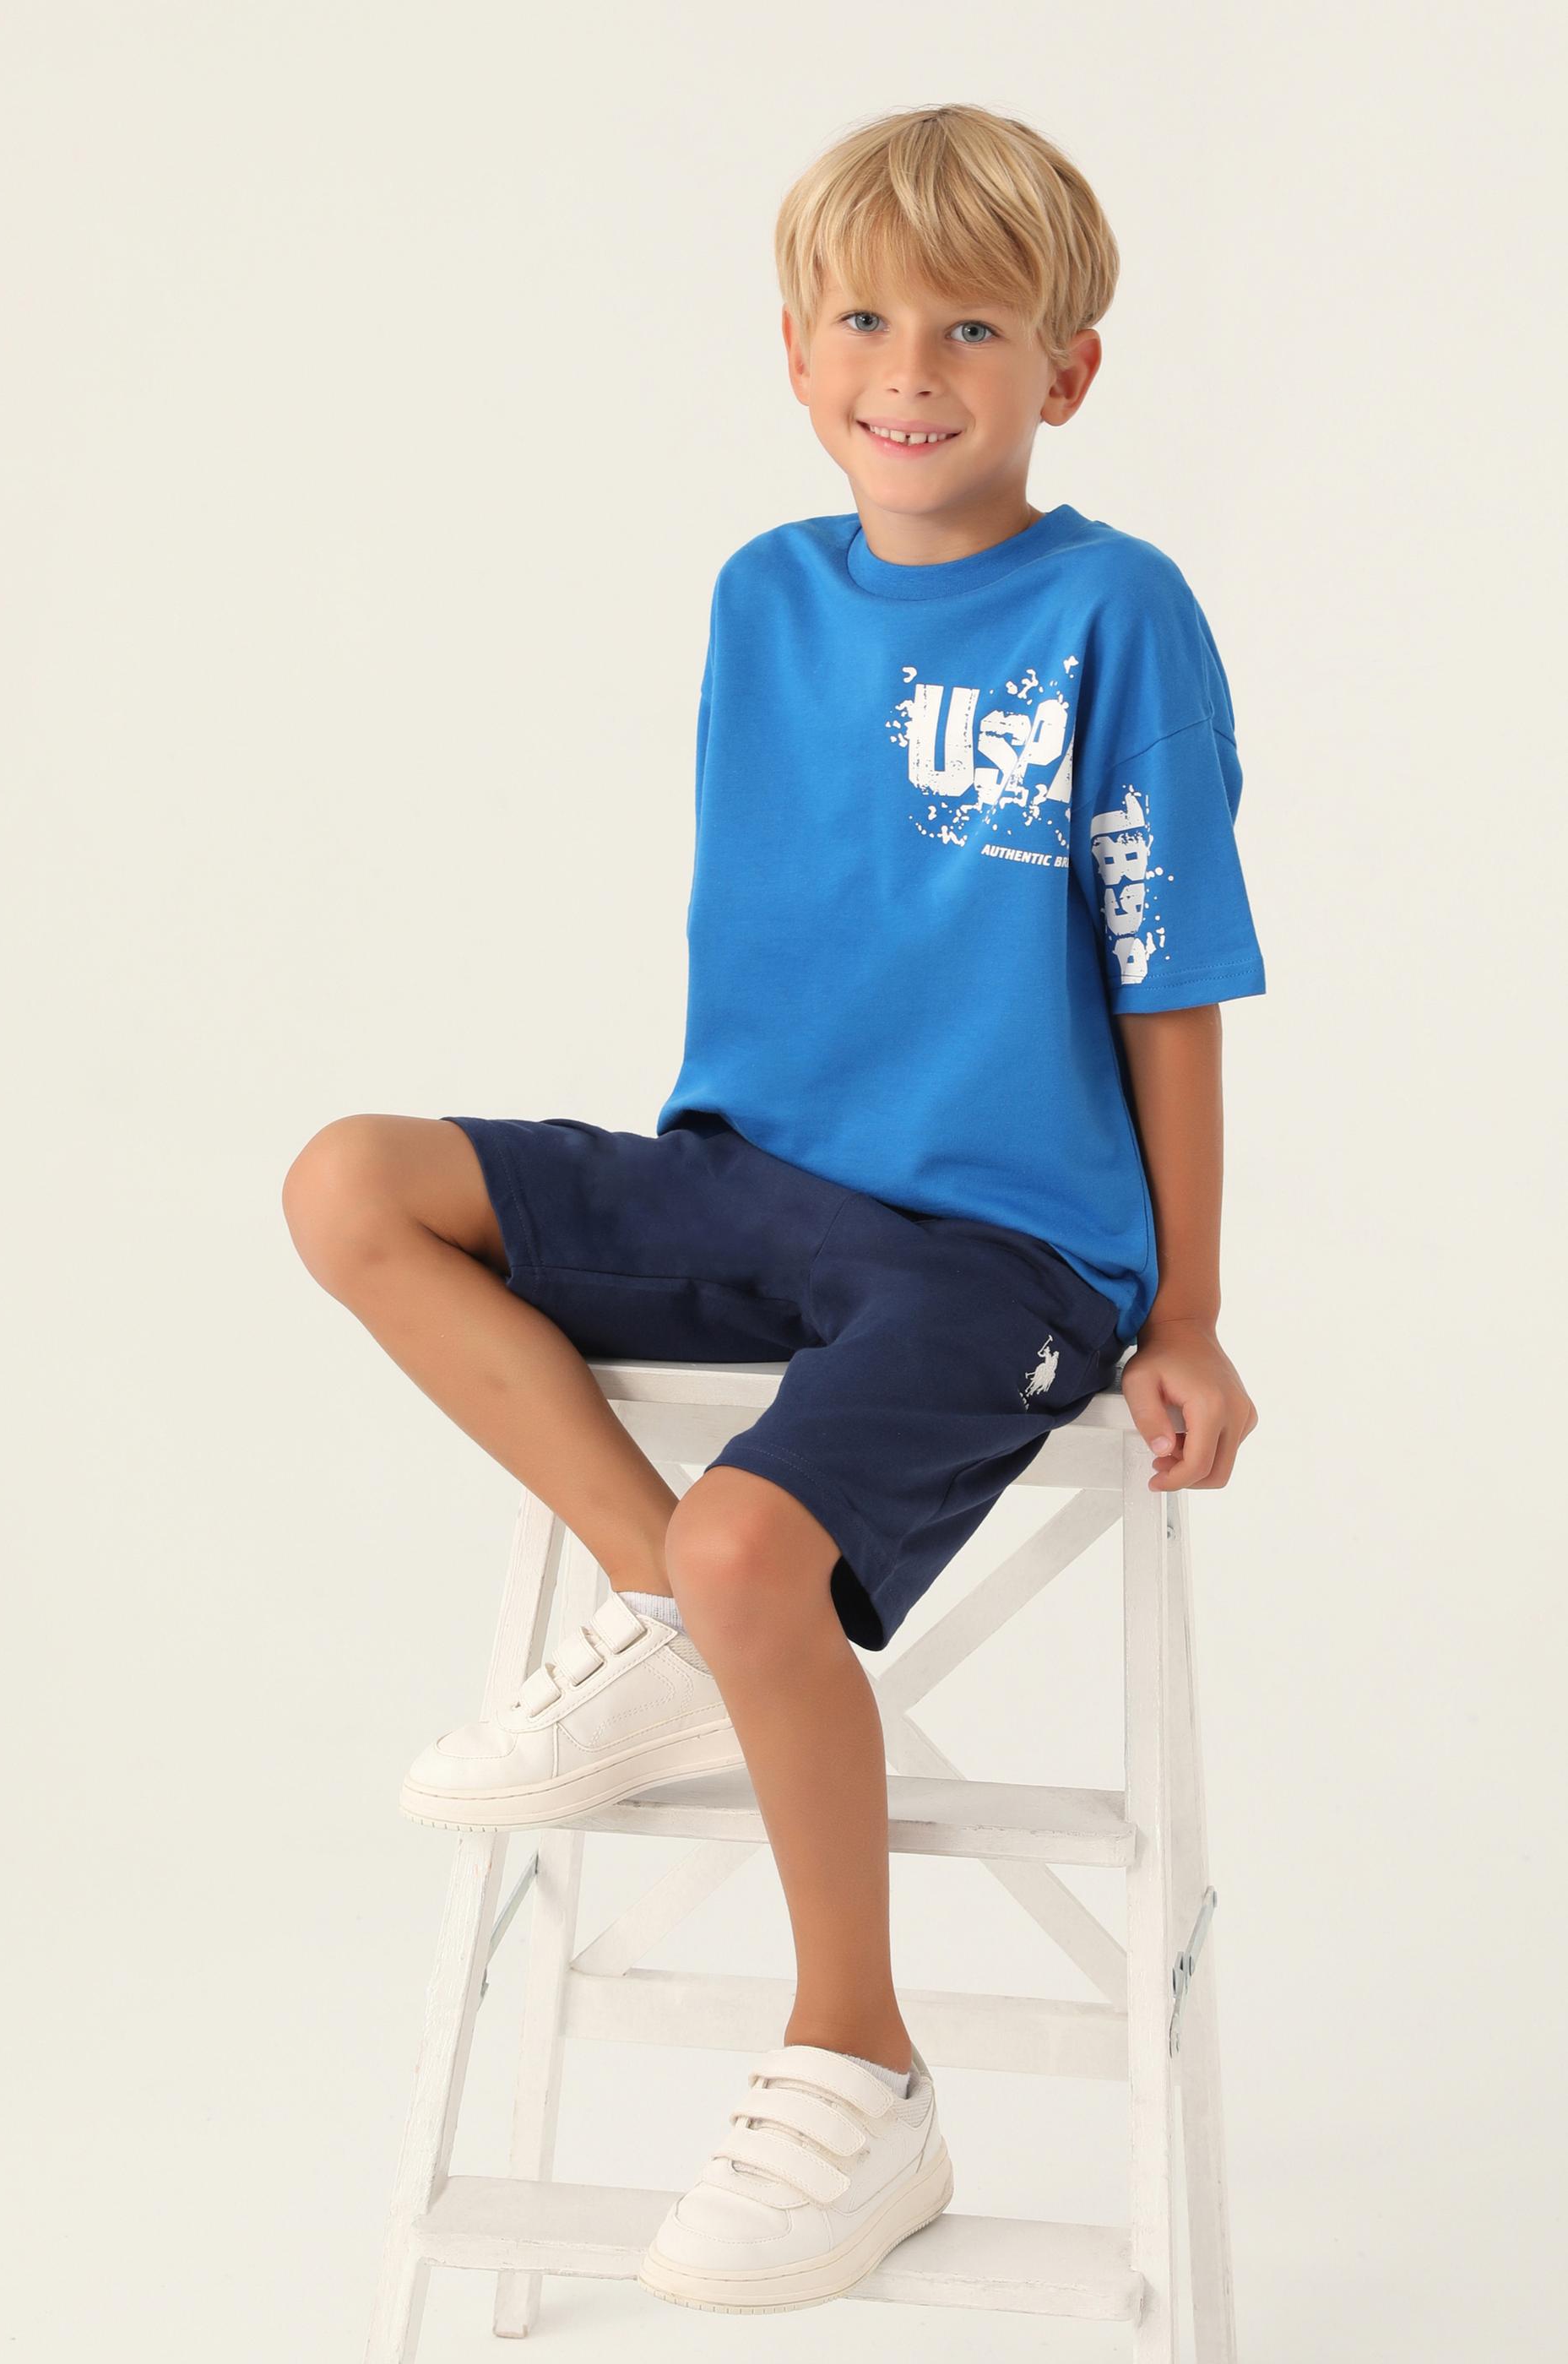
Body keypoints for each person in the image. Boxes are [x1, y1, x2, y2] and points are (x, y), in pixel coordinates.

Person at [282, 100, 1265, 2312]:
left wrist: (1186, 1307)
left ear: (1066, 371)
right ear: (796, 352)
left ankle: (859, 2066)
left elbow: (1171, 970)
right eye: (864, 320)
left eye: (973, 328)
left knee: (756, 1548)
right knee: (351, 1183)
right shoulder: (761, 591)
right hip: (749, 1181)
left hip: (1005, 1244)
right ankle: (672, 1626)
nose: (910, 368)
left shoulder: (1115, 610)